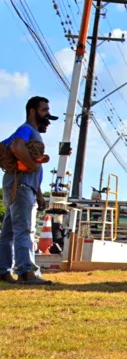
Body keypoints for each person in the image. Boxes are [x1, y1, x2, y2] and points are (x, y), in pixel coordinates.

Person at [0, 96, 55, 285]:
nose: (47, 115)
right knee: (25, 229)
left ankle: (2, 270)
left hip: (22, 185)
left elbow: (6, 145)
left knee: (8, 232)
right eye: (44, 110)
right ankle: (26, 271)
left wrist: (38, 193)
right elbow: (15, 146)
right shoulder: (26, 130)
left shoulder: (28, 132)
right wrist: (31, 165)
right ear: (32, 111)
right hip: (20, 185)